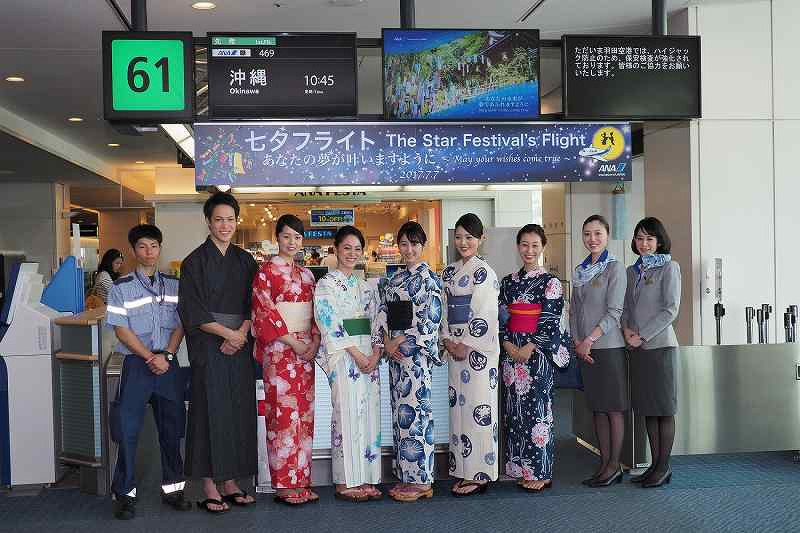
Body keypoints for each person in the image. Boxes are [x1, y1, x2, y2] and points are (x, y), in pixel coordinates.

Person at [178, 192, 258, 513]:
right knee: (208, 412)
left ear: (237, 222)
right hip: (209, 343)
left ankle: (231, 480)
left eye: (230, 219)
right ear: (208, 222)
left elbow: (256, 302)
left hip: (239, 342)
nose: (225, 225)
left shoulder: (246, 260)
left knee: (238, 411)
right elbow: (191, 309)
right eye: (219, 219)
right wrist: (227, 333)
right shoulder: (194, 262)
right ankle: (209, 482)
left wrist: (241, 333)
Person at [105, 225, 190, 520]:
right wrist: (149, 357)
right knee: (128, 432)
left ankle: (174, 489)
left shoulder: (175, 285)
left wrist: (166, 355)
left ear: (160, 248)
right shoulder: (121, 287)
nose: (149, 252)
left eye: (154, 246)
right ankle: (125, 494)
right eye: (142, 246)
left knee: (172, 430)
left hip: (168, 365)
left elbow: (181, 325)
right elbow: (120, 328)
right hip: (136, 365)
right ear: (133, 250)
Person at [251, 214, 320, 506]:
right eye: (287, 236)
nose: (292, 242)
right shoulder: (265, 272)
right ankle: (282, 484)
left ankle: (301, 480)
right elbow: (264, 312)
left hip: (304, 352)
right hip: (280, 352)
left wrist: (314, 341)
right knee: (281, 416)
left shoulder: (308, 275)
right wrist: (292, 341)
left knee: (303, 417)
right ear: (277, 237)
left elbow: (317, 314)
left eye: (297, 237)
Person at [499, 224, 571, 492]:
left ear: (543, 247)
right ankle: (520, 468)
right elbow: (502, 317)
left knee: (539, 414)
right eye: (524, 245)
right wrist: (507, 343)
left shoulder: (550, 282)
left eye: (534, 245)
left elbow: (550, 320)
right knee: (515, 413)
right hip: (511, 354)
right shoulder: (508, 281)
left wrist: (528, 347)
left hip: (537, 354)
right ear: (518, 246)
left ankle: (540, 471)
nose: (529, 250)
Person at [374, 222, 443, 502]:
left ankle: (422, 480)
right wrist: (385, 343)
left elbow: (431, 320)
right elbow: (382, 314)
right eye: (404, 244)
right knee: (401, 417)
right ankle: (406, 475)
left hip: (414, 359)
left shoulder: (430, 280)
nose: (409, 249)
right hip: (395, 358)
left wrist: (399, 342)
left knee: (418, 416)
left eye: (415, 244)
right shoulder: (393, 280)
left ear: (423, 246)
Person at [313, 225, 382, 502]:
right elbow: (329, 323)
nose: (352, 254)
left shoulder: (365, 287)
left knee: (368, 417)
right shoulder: (326, 285)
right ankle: (345, 481)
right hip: (345, 356)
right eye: (346, 248)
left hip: (368, 358)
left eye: (357, 249)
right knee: (346, 415)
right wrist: (358, 354)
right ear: (335, 250)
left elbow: (377, 322)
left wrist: (375, 354)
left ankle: (365, 477)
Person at [440, 213, 500, 497]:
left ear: (480, 239)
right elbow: (442, 311)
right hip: (455, 346)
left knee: (479, 408)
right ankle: (463, 469)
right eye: (459, 237)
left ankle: (480, 473)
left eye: (470, 237)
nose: (463, 243)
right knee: (458, 410)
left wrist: (466, 343)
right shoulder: (448, 272)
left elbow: (486, 312)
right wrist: (448, 340)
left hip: (477, 352)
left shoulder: (485, 272)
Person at [622, 217, 681, 488]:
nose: (643, 244)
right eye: (639, 238)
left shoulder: (670, 268)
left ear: (659, 241)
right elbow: (625, 309)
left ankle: (663, 467)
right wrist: (627, 333)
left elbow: (670, 310)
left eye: (649, 238)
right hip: (637, 348)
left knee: (663, 410)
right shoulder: (632, 271)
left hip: (660, 348)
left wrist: (642, 335)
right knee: (648, 409)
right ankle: (654, 466)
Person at [570, 215, 628, 488]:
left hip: (608, 347)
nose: (592, 239)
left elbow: (615, 311)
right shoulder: (580, 271)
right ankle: (604, 463)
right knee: (597, 409)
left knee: (612, 409)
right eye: (587, 234)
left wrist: (590, 339)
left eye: (598, 234)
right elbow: (574, 310)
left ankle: (614, 466)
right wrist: (577, 341)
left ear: (607, 236)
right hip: (585, 349)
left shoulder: (615, 268)